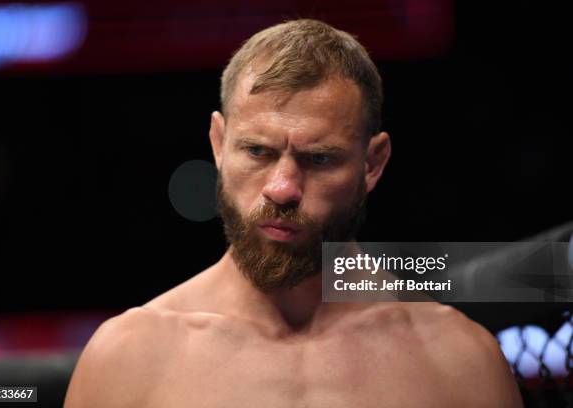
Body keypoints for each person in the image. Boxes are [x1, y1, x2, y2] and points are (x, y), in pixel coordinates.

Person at [64, 19, 523, 407]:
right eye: (258, 151)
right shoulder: (128, 358)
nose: (282, 188)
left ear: (372, 164)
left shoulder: (459, 362)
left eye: (319, 158)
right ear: (219, 144)